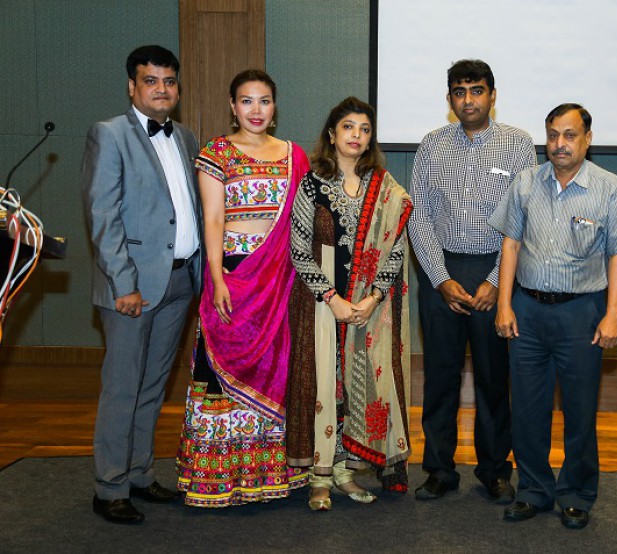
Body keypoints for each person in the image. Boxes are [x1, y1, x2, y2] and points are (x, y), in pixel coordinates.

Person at [490, 104, 617, 529]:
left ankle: (576, 493)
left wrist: (613, 315)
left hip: (582, 313)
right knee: (527, 409)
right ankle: (534, 490)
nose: (560, 144)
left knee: (579, 410)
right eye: (553, 135)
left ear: (587, 139)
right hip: (527, 311)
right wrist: (504, 304)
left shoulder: (609, 187)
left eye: (570, 135)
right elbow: (510, 245)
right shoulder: (526, 182)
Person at [175, 69, 310, 507]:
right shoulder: (218, 153)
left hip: (280, 280)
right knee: (220, 370)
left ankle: (271, 473)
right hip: (233, 274)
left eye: (264, 101)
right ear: (233, 106)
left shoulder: (294, 155)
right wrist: (216, 278)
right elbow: (213, 219)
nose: (256, 110)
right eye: (247, 101)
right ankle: (216, 476)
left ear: (275, 107)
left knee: (279, 369)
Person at [81, 45, 201, 524]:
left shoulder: (186, 136)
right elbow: (102, 215)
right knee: (122, 388)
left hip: (180, 281)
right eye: (151, 81)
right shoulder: (109, 134)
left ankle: (139, 472)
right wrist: (124, 283)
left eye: (169, 81)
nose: (161, 89)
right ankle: (109, 487)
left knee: (153, 385)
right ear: (132, 86)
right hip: (132, 287)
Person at [408, 59, 536, 503]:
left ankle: (495, 470)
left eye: (477, 90)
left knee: (493, 379)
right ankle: (439, 469)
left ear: (492, 95)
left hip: (496, 270)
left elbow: (523, 217)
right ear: (449, 99)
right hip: (441, 271)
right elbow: (419, 217)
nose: (469, 100)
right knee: (440, 377)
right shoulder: (431, 145)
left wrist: (496, 280)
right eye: (460, 92)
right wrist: (439, 277)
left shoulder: (518, 145)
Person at [286, 97, 412, 511]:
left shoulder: (386, 188)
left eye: (364, 129)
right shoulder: (312, 184)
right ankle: (319, 476)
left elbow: (395, 249)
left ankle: (345, 471)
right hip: (321, 306)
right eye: (348, 127)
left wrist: (373, 298)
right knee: (323, 384)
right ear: (332, 133)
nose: (356, 135)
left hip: (368, 310)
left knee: (358, 385)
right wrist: (332, 298)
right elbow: (298, 249)